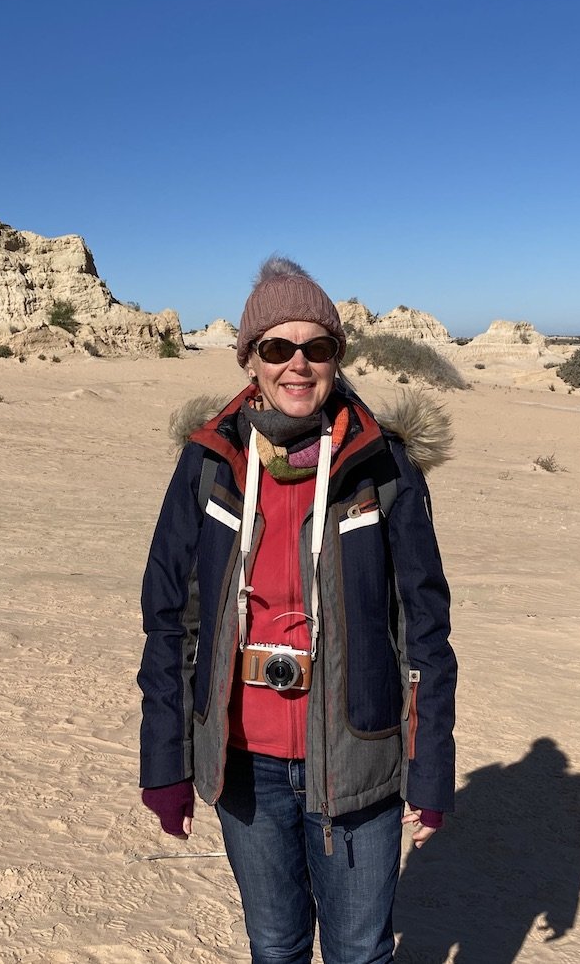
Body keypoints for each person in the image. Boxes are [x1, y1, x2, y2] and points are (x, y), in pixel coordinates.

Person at [137, 256, 458, 964]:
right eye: (277, 348)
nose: (298, 365)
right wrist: (165, 760)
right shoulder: (210, 463)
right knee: (276, 944)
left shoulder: (383, 466)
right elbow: (169, 618)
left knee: (359, 950)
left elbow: (425, 630)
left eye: (317, 347)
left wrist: (429, 768)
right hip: (245, 761)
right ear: (249, 359)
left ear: (336, 357)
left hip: (357, 754)